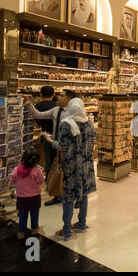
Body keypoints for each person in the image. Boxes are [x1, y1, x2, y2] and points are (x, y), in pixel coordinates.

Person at [43, 98, 97, 241]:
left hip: (70, 166)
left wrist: (50, 141)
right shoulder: (89, 123)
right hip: (86, 165)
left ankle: (66, 231)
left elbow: (63, 147)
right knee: (84, 194)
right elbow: (93, 142)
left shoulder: (66, 124)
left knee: (68, 198)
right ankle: (81, 224)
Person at [25, 89, 77, 206]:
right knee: (56, 170)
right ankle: (56, 195)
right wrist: (29, 104)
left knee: (71, 172)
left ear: (69, 99)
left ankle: (75, 197)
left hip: (70, 147)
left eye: (62, 96)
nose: (58, 97)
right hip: (55, 144)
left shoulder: (74, 112)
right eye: (58, 95)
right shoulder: (55, 110)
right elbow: (38, 115)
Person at [10, 147, 44, 239]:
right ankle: (34, 230)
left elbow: (12, 180)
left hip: (22, 197)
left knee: (22, 216)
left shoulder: (17, 169)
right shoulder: (37, 170)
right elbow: (41, 181)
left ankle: (21, 233)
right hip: (35, 197)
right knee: (34, 215)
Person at [34, 86, 56, 178]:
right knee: (58, 158)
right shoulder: (57, 106)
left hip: (46, 134)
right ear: (53, 94)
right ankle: (58, 180)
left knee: (48, 159)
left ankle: (49, 180)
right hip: (57, 135)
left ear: (41, 94)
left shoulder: (37, 106)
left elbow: (37, 122)